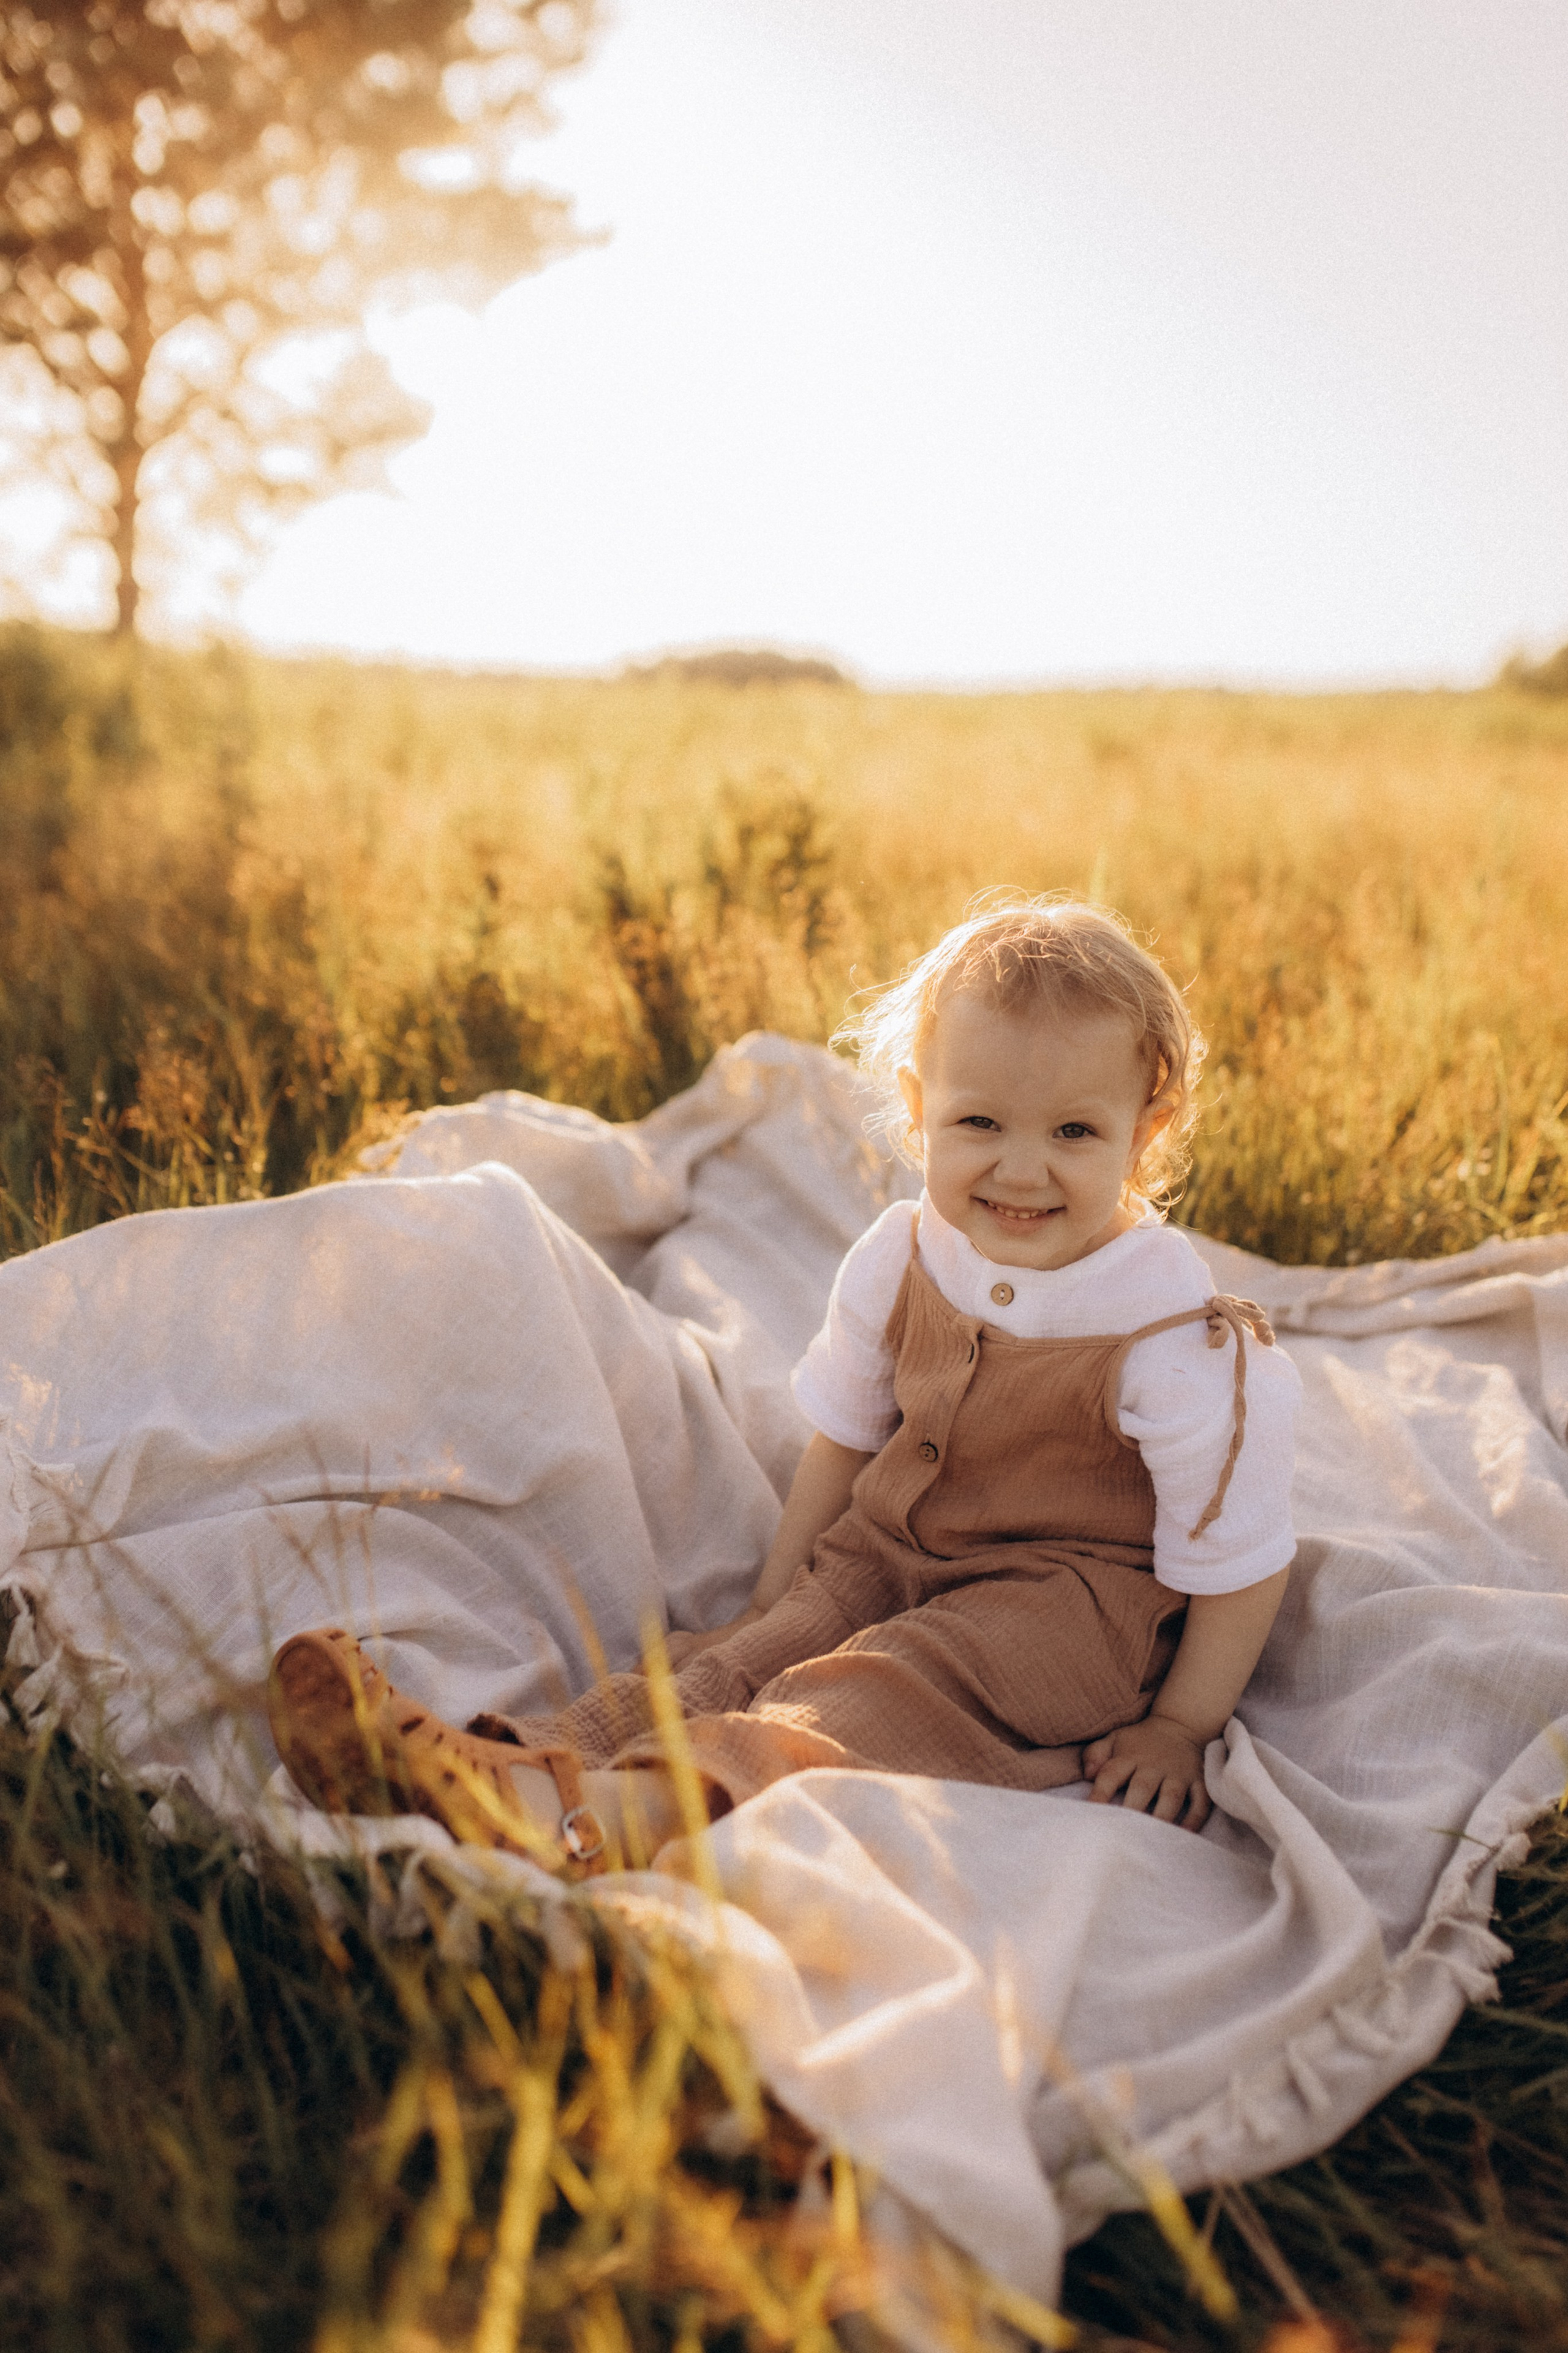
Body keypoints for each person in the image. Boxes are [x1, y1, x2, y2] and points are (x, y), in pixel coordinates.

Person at [268, 894, 1300, 1874]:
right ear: (917, 1106)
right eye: (980, 1124)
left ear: (1147, 1129)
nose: (1021, 1172)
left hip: (1060, 1608)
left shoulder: (1172, 1333)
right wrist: (782, 1594)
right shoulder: (902, 1253)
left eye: (1074, 1132)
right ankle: (500, 1760)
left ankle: (618, 1817)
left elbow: (1242, 1555)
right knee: (737, 1658)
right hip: (888, 1547)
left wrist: (1180, 1724)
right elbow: (846, 1438)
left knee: (867, 1690)